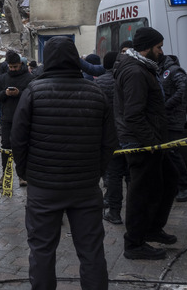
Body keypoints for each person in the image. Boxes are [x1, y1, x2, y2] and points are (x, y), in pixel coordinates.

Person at [11, 37, 117, 290]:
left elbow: (18, 140)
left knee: (42, 250)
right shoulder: (96, 93)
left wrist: (27, 173)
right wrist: (96, 173)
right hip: (85, 188)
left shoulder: (33, 92)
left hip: (43, 188)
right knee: (91, 251)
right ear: (75, 58)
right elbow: (109, 142)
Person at [113, 27, 177, 260]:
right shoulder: (136, 72)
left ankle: (152, 229)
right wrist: (150, 142)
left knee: (168, 181)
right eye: (159, 47)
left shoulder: (142, 68)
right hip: (141, 142)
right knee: (141, 192)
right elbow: (133, 114)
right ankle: (134, 243)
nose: (161, 52)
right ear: (147, 47)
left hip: (151, 141)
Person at [0, 51, 34, 184]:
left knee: (23, 147)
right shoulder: (3, 78)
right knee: (6, 147)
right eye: (10, 67)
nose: (13, 69)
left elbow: (33, 96)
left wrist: (19, 93)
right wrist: (5, 93)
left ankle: (23, 176)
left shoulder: (29, 78)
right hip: (7, 118)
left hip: (23, 119)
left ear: (20, 64)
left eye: (15, 67)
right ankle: (5, 175)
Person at [158, 52, 187, 202]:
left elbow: (183, 90)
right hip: (164, 119)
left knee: (173, 153)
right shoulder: (159, 70)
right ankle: (174, 185)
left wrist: (167, 105)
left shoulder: (174, 70)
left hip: (174, 118)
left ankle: (186, 185)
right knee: (166, 154)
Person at [96, 52, 127, 225]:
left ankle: (114, 211)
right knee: (130, 175)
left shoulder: (99, 82)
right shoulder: (126, 79)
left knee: (114, 175)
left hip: (110, 136)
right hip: (129, 135)